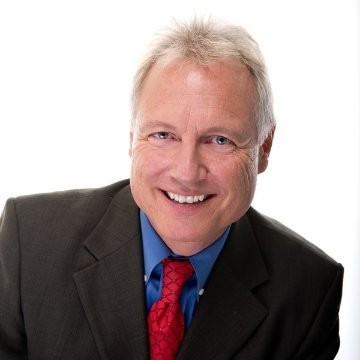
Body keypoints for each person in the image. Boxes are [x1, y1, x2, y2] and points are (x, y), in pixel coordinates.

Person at [0, 17, 343, 360]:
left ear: (264, 149)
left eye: (219, 140)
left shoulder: (309, 289)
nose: (186, 172)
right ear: (133, 138)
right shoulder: (28, 242)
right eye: (163, 135)